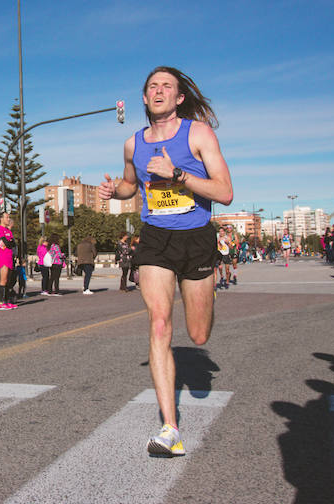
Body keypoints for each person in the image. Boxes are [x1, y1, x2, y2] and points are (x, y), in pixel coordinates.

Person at [98, 66, 233, 456]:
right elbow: (130, 184)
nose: (159, 91)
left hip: (196, 237)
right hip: (155, 237)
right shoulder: (132, 144)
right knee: (159, 323)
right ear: (144, 98)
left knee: (199, 334)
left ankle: (204, 300)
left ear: (179, 98)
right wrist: (115, 191)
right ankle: (170, 429)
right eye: (152, 86)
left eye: (167, 87)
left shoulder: (198, 134)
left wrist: (177, 175)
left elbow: (225, 192)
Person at [0, 213, 17, 309]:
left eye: (9, 217)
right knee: (3, 279)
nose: (8, 219)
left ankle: (7, 301)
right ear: (1, 219)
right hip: (3, 256)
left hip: (10, 256)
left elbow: (13, 243)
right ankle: (2, 302)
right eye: (6, 217)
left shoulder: (8, 230)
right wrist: (9, 242)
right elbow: (6, 243)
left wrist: (10, 242)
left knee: (8, 280)